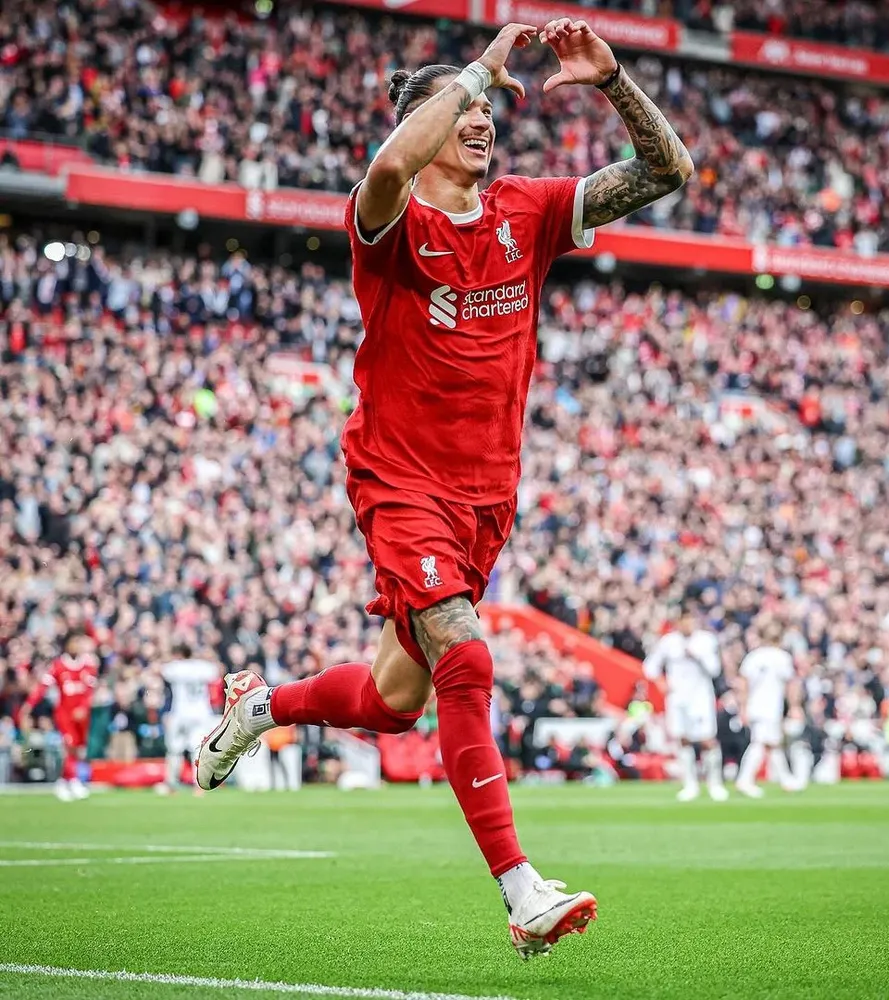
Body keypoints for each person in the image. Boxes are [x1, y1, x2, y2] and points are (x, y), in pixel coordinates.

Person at [195, 17, 692, 959]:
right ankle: (521, 889)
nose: (482, 120)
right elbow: (385, 173)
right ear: (422, 124)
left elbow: (670, 173)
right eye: (458, 112)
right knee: (467, 659)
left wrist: (614, 80)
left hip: (485, 502)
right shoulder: (390, 224)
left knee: (392, 703)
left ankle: (257, 710)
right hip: (399, 481)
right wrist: (472, 74)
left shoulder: (529, 210)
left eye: (486, 112)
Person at [643, 607, 728, 801]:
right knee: (683, 739)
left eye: (690, 619)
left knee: (707, 739)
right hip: (677, 698)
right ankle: (690, 785)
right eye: (684, 620)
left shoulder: (706, 640)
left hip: (700, 697)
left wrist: (697, 655)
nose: (688, 624)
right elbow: (650, 667)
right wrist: (662, 683)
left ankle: (715, 784)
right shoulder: (668, 642)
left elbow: (715, 669)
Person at [20, 631, 98, 801]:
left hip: (82, 716)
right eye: (74, 642)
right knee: (68, 746)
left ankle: (63, 782)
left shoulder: (89, 665)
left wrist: (84, 707)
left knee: (78, 749)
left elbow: (90, 692)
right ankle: (75, 780)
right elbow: (43, 687)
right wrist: (29, 705)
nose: (77, 646)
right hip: (65, 714)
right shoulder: (58, 665)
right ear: (67, 644)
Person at [735, 621, 801, 798]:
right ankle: (745, 779)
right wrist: (795, 706)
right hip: (770, 707)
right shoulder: (782, 657)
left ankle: (786, 779)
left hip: (755, 706)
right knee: (760, 742)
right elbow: (792, 684)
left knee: (772, 743)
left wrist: (743, 706)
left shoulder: (754, 657)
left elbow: (742, 683)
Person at [159, 645, 221, 793]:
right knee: (198, 749)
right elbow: (217, 671)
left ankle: (171, 783)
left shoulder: (175, 667)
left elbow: (161, 670)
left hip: (181, 713)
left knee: (174, 749)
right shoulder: (205, 667)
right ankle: (198, 784)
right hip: (201, 713)